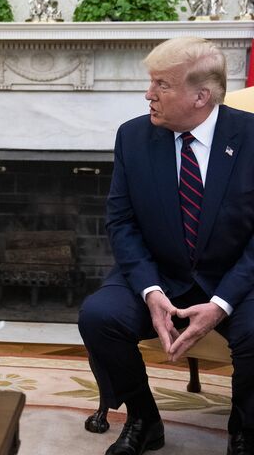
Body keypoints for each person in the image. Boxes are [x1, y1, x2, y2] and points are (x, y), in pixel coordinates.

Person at [78, 37, 254, 455]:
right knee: (99, 316)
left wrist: (222, 303)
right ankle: (143, 418)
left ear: (201, 96)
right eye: (150, 82)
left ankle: (244, 427)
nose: (148, 95)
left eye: (162, 85)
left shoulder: (250, 138)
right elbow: (121, 222)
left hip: (235, 277)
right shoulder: (133, 137)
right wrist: (149, 290)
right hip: (157, 272)